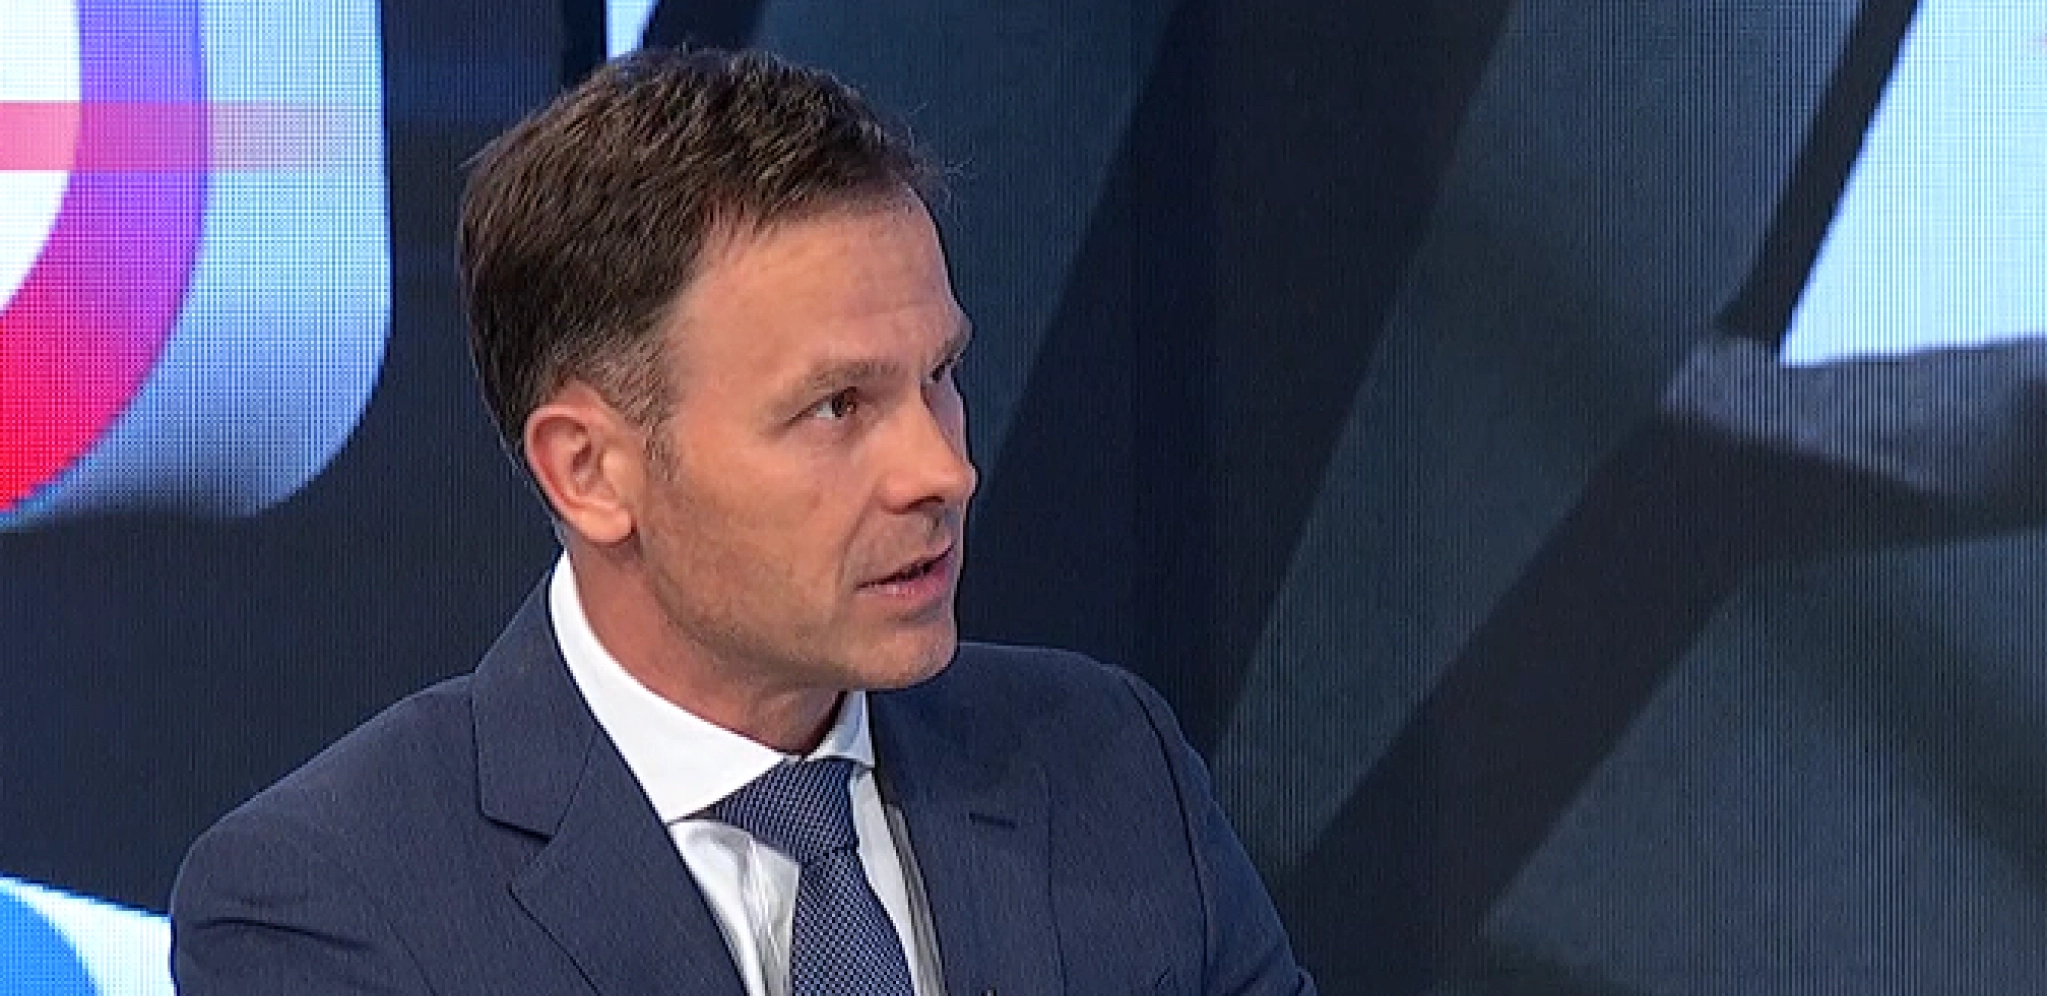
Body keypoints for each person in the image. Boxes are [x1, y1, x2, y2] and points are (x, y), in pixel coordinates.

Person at [170, 46, 1316, 995]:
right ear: (590, 472)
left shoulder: (1108, 765)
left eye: (939, 377)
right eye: (836, 407)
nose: (943, 470)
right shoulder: (330, 907)